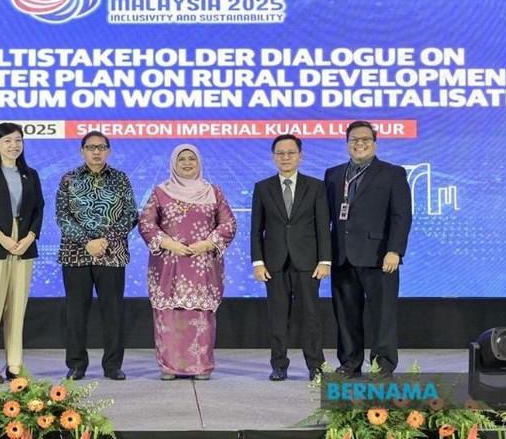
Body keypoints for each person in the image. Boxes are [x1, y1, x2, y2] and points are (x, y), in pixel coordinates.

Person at [138, 144, 237, 381]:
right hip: (168, 265)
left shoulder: (213, 191)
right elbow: (146, 224)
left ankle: (201, 366)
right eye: (181, 159)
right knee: (169, 315)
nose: (187, 163)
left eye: (191, 158)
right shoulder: (160, 191)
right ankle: (169, 366)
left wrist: (207, 244)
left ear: (199, 162)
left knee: (200, 315)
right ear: (174, 163)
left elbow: (228, 224)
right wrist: (167, 243)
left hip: (202, 264)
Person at [324, 120, 412, 375]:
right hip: (342, 256)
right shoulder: (333, 174)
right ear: (347, 143)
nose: (359, 144)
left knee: (382, 316)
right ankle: (350, 363)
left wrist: (395, 250)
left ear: (374, 143)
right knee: (346, 315)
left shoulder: (392, 173)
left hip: (380, 256)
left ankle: (382, 364)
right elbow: (325, 217)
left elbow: (401, 215)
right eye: (354, 140)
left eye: (365, 139)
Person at [56, 131, 138, 381]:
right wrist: (87, 242)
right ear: (82, 151)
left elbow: (131, 214)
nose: (96, 152)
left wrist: (105, 241)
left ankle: (112, 365)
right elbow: (62, 216)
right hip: (75, 255)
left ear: (109, 151)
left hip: (112, 255)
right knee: (76, 312)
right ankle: (76, 364)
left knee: (113, 312)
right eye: (90, 147)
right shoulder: (69, 179)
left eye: (101, 147)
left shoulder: (120, 179)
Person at [251, 134, 331, 381]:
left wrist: (325, 260)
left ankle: (316, 366)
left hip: (308, 262)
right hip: (274, 264)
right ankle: (279, 365)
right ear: (274, 157)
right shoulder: (263, 187)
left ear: (300, 156)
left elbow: (322, 226)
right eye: (280, 153)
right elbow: (256, 229)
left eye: (290, 153)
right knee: (277, 318)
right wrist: (258, 262)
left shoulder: (316, 186)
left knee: (311, 317)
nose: (285, 157)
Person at [0, 122, 45, 382]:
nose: (14, 145)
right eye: (8, 141)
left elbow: (38, 209)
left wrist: (30, 237)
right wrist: (2, 237)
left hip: (24, 244)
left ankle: (14, 364)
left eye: (18, 140)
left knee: (17, 307)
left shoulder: (30, 174)